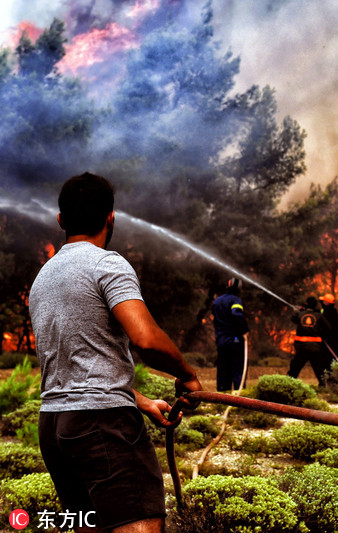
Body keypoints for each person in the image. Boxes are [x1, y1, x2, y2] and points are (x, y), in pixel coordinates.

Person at [28, 172, 203, 533]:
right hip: (102, 426)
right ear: (111, 217)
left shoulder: (43, 278)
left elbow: (76, 364)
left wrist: (140, 400)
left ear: (61, 220)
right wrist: (187, 376)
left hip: (55, 428)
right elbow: (146, 339)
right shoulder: (106, 263)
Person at [211, 277, 250, 391]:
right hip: (235, 339)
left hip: (221, 340)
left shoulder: (217, 301)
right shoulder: (235, 300)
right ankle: (239, 396)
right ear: (239, 289)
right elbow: (236, 314)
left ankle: (223, 396)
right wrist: (244, 330)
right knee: (238, 368)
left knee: (223, 369)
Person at [287, 296, 332, 385]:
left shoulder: (300, 314)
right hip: (315, 348)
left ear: (306, 304)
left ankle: (288, 384)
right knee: (318, 368)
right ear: (315, 305)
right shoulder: (319, 316)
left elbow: (293, 319)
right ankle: (322, 386)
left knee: (295, 368)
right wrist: (319, 331)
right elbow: (328, 328)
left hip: (301, 347)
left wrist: (296, 312)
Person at [319, 293, 338, 360]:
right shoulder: (333, 311)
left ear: (327, 303)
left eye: (323, 301)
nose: (322, 302)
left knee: (330, 357)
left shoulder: (329, 313)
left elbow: (328, 327)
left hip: (329, 339)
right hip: (333, 338)